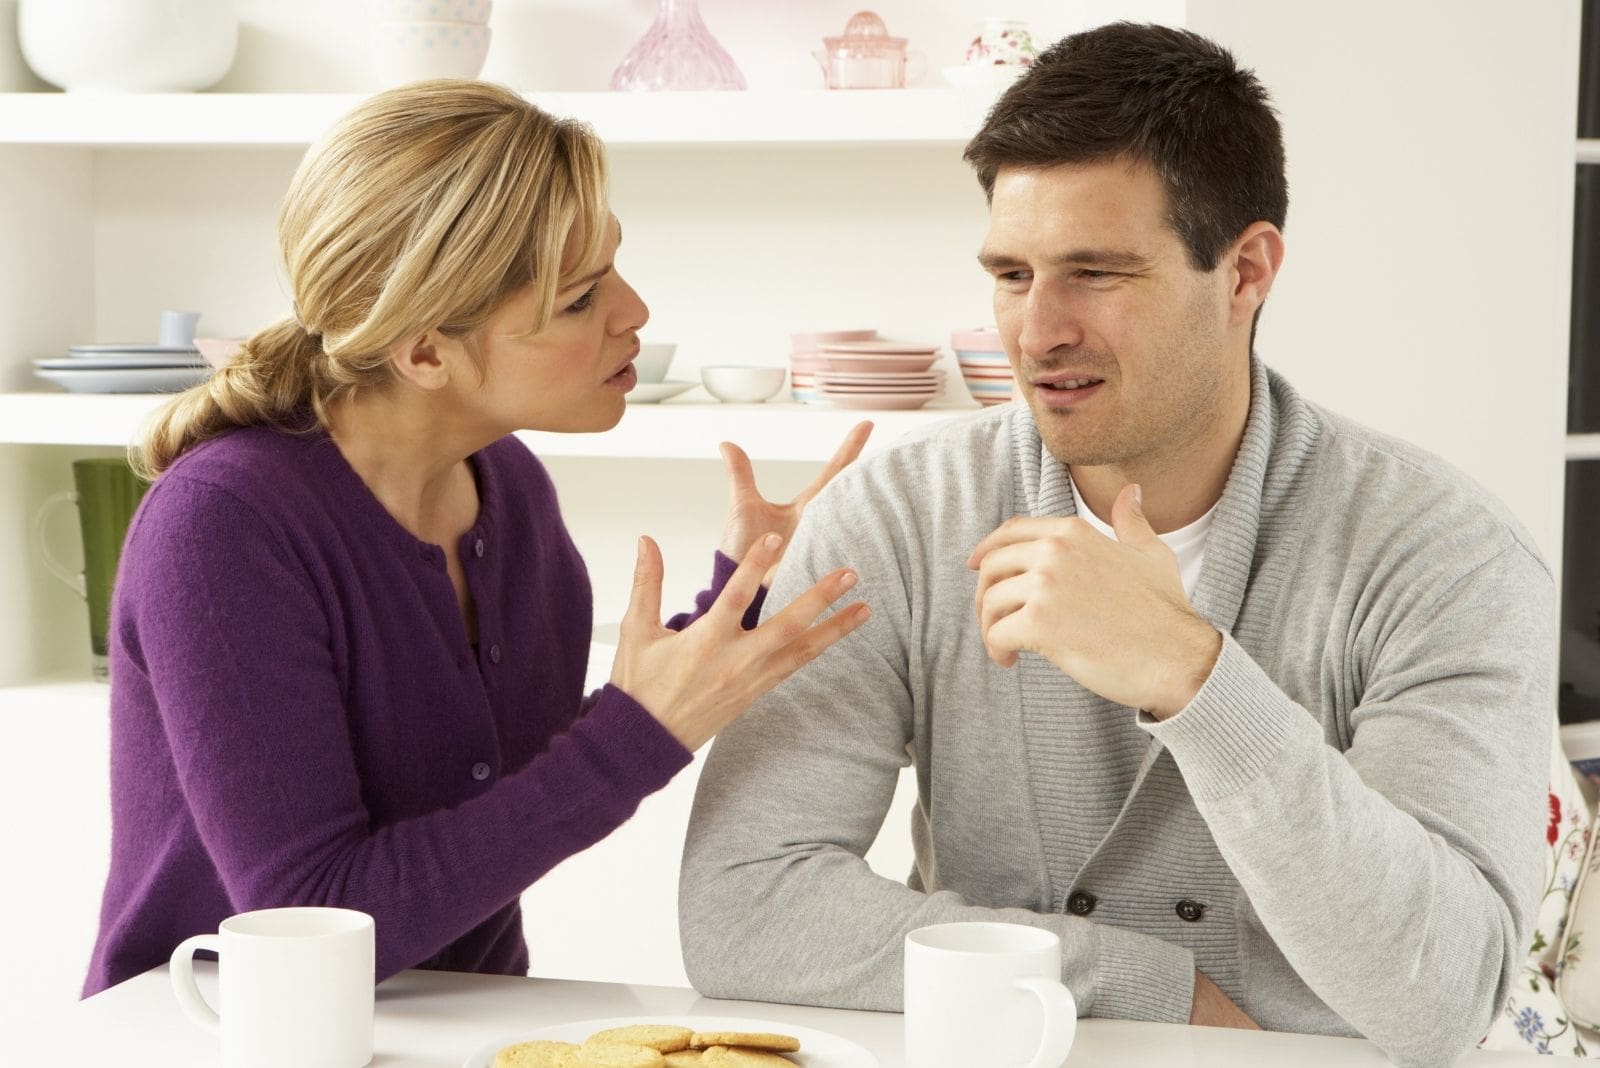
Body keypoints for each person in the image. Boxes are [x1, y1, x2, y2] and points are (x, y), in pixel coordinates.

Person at [679, 22, 1555, 1068]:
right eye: (1011, 274)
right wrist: (1145, 988)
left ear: (1245, 273)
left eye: (1095, 272)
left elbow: (1443, 995)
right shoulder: (897, 516)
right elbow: (741, 910)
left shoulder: (1441, 552)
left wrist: (1192, 678)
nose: (1035, 332)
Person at [82, 79, 873, 996]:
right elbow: (308, 920)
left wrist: (740, 598)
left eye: (614, 267)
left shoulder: (508, 487)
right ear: (425, 353)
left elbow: (516, 792)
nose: (636, 312)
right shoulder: (224, 527)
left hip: (454, 1024)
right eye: (581, 299)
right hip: (217, 1034)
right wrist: (641, 732)